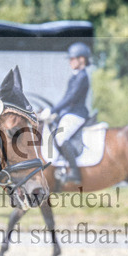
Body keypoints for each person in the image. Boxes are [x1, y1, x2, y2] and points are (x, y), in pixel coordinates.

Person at [39, 42, 92, 184]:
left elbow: (71, 98)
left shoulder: (82, 77)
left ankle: (75, 172)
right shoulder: (75, 76)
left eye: (72, 59)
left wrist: (53, 110)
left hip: (77, 114)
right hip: (70, 113)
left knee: (61, 137)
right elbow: (65, 98)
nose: (70, 62)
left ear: (82, 59)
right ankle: (61, 164)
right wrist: (57, 113)